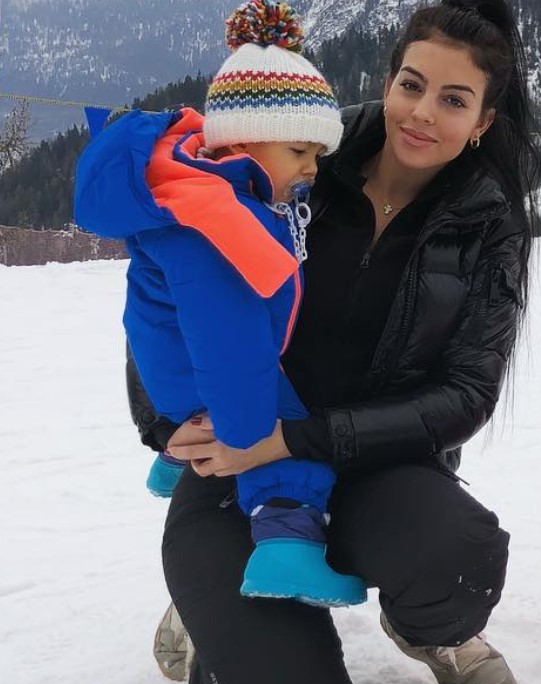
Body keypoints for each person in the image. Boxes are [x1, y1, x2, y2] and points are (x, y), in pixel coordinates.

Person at [119, 0, 541, 684]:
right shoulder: (289, 152)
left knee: (460, 562)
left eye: (454, 100)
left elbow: (464, 395)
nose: (422, 113)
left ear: (483, 121)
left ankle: (423, 630)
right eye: (412, 84)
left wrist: (293, 440)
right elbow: (167, 288)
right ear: (387, 79)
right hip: (237, 472)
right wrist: (170, 422)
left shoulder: (487, 222)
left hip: (371, 462)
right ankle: (225, 625)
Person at [75, 0, 366, 607]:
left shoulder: (194, 191)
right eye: (301, 153)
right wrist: (247, 433)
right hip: (202, 376)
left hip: (172, 370)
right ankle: (287, 549)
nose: (313, 168)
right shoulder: (217, 222)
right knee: (292, 450)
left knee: (236, 409)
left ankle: (176, 459)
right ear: (248, 139)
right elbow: (229, 341)